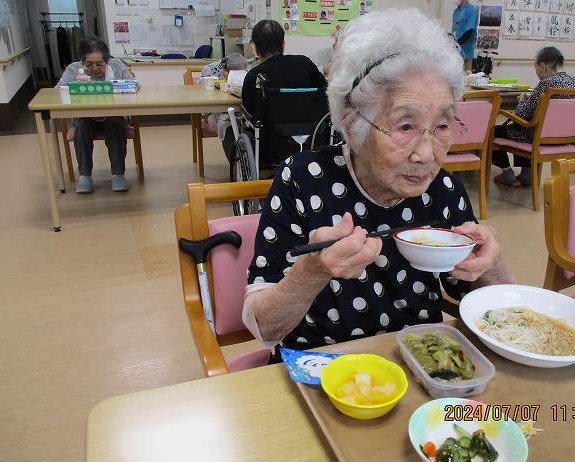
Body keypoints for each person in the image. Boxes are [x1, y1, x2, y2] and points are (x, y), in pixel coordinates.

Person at [242, 8, 513, 358]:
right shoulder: (303, 179)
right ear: (351, 123)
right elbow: (264, 327)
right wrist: (311, 271)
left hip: (418, 361)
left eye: (443, 126)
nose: (426, 155)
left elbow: (499, 316)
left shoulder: (443, 191)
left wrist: (492, 264)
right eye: (405, 126)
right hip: (318, 370)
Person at [492, 47, 575, 187]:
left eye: (536, 68)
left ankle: (508, 174)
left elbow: (522, 115)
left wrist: (522, 100)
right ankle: (526, 175)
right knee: (523, 128)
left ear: (542, 66)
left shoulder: (545, 84)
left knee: (493, 131)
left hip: (537, 138)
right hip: (566, 138)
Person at [241, 20, 327, 166]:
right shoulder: (305, 64)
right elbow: (324, 92)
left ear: (255, 48)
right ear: (283, 44)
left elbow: (249, 110)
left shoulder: (254, 76)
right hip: (313, 141)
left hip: (272, 146)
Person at [57, 37, 134, 194]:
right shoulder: (73, 69)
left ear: (107, 60)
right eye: (89, 64)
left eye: (99, 64)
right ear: (82, 61)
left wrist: (124, 85)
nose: (95, 68)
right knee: (81, 128)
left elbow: (134, 84)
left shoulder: (117, 65)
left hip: (113, 115)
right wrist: (73, 86)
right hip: (86, 117)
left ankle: (118, 175)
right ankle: (85, 176)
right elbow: (56, 92)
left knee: (115, 125)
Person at [200, 54, 248, 177]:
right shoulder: (210, 72)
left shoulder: (248, 75)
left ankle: (246, 162)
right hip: (218, 111)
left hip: (241, 113)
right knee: (227, 125)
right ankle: (236, 167)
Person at [452, 0, 478, 71]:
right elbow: (455, 29)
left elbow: (469, 31)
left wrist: (457, 44)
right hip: (455, 52)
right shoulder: (456, 11)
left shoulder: (471, 10)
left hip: (466, 53)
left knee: (466, 74)